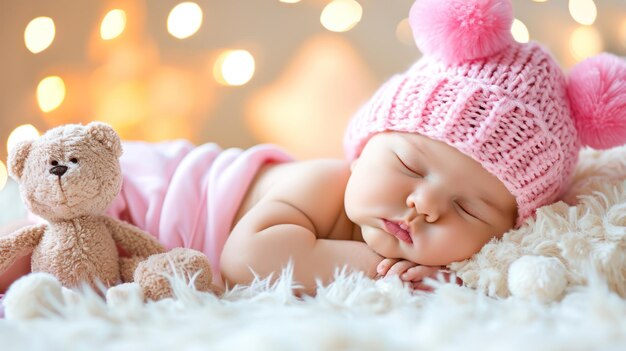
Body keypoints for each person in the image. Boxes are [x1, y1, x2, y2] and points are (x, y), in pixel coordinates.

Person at [1, 0, 624, 296]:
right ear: (365, 146)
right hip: (131, 192)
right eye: (409, 165)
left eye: (471, 211)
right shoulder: (323, 182)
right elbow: (251, 257)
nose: (425, 205)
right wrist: (381, 275)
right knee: (46, 253)